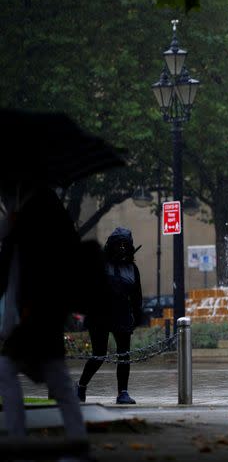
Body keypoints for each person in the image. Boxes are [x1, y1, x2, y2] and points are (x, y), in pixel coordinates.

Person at [0, 180, 90, 453]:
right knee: (56, 380)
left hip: (39, 313)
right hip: (36, 314)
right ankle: (74, 441)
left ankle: (19, 437)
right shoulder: (28, 210)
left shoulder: (41, 208)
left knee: (12, 371)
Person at [76, 227, 143, 405]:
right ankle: (81, 386)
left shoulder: (132, 269)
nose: (121, 248)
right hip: (99, 316)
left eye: (124, 245)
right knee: (99, 354)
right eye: (118, 244)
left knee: (124, 355)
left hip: (122, 316)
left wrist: (136, 317)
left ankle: (123, 392)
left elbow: (137, 297)